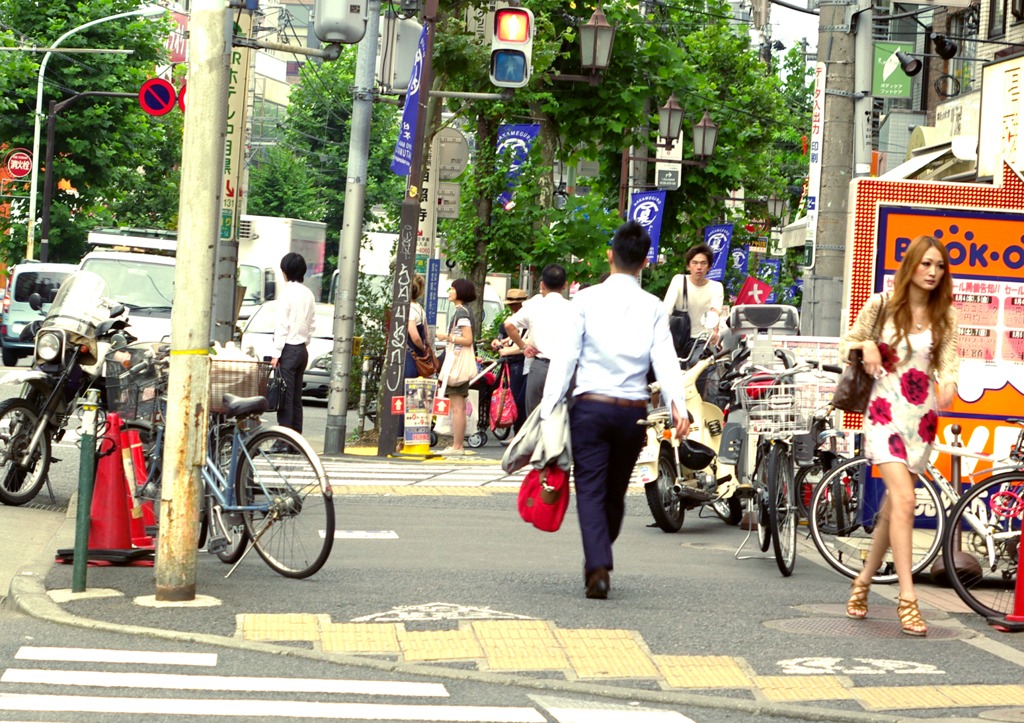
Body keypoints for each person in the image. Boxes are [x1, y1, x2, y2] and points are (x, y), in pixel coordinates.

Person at [541, 221, 689, 600]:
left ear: (611, 256)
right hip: (631, 413)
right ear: (645, 263)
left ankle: (598, 566)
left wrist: (550, 406)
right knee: (615, 492)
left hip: (590, 408)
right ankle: (600, 553)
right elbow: (665, 360)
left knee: (590, 490)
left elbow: (566, 357)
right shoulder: (653, 306)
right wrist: (679, 407)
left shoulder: (586, 300)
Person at [838, 234, 959, 637]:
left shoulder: (945, 315)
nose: (932, 272)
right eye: (926, 264)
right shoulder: (882, 304)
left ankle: (862, 582)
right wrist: (868, 346)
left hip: (921, 421)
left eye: (939, 266)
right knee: (905, 499)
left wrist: (950, 383)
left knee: (894, 509)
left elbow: (948, 361)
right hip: (884, 412)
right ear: (911, 265)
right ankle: (908, 599)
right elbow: (846, 346)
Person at [504, 264, 573, 419]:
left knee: (535, 417)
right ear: (565, 285)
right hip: (565, 368)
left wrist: (523, 346)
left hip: (540, 366)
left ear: (542, 284)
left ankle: (537, 443)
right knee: (562, 417)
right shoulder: (573, 308)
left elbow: (509, 325)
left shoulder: (534, 306)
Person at [271, 252, 316, 433]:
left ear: (285, 271)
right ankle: (296, 438)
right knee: (296, 398)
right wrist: (305, 342)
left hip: (288, 349)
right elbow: (312, 324)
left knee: (285, 397)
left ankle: (284, 439)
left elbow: (282, 325)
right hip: (302, 350)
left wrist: (276, 353)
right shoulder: (309, 294)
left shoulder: (286, 294)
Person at [435, 279, 477, 456]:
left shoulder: (462, 314)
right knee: (457, 405)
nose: (450, 291)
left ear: (460, 292)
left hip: (457, 364)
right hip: (457, 361)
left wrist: (447, 337)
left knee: (457, 406)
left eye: (452, 289)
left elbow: (467, 339)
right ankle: (457, 444)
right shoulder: (463, 312)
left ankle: (457, 445)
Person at [661, 242, 725, 353]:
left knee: (704, 365)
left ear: (709, 266)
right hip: (676, 338)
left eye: (703, 263)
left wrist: (715, 328)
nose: (699, 267)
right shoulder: (679, 281)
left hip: (702, 339)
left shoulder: (716, 287)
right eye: (694, 263)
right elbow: (666, 310)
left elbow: (714, 311)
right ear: (688, 266)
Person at [491, 288, 528, 435]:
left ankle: (519, 433)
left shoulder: (529, 321)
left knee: (519, 399)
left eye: (517, 304)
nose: (513, 307)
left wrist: (507, 349)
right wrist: (497, 343)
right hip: (509, 362)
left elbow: (527, 344)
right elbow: (502, 339)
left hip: (523, 361)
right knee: (510, 396)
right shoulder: (508, 322)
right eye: (511, 304)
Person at [405, 274, 430, 379]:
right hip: (419, 357)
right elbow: (426, 333)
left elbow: (415, 337)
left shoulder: (409, 309)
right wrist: (424, 349)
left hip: (410, 357)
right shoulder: (419, 308)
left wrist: (421, 346)